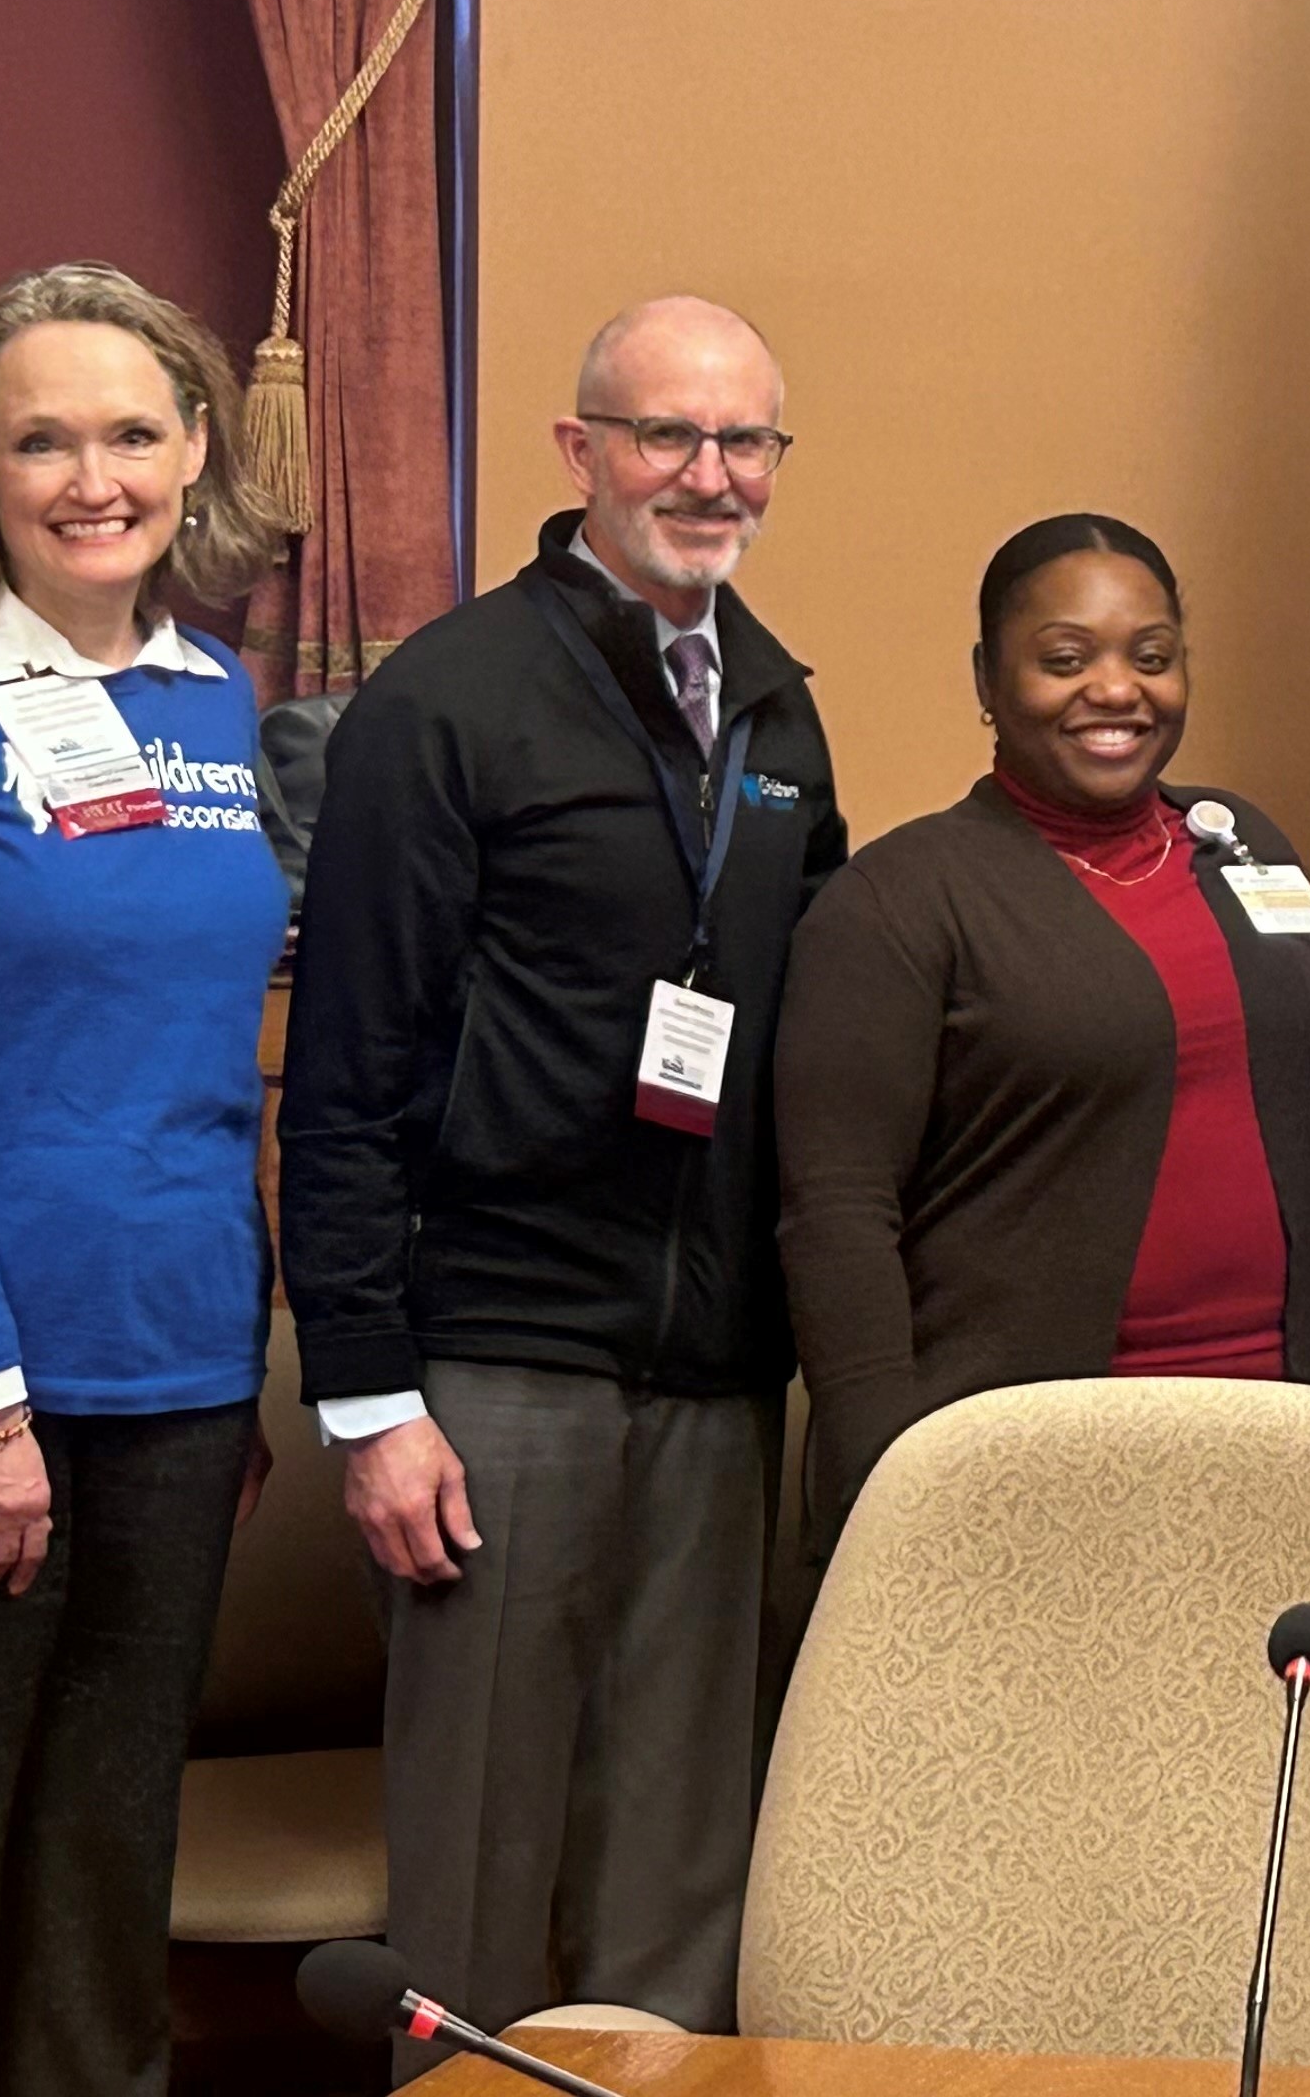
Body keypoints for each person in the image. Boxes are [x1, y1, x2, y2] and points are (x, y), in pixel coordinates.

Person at [281, 295, 849, 2047]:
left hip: (710, 1367)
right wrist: (371, 1401)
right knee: (480, 1857)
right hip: (494, 1366)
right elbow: (348, 1071)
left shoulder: (774, 709)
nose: (707, 472)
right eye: (666, 433)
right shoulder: (444, 701)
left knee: (681, 1854)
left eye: (743, 438)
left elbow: (806, 1022)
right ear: (579, 448)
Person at [0, 266, 289, 2097]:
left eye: (128, 431)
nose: (90, 474)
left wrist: (234, 1365)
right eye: (41, 436)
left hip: (170, 1382)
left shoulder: (215, 698)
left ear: (193, 454)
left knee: (108, 1871)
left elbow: (190, 1067)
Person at [776, 515, 1310, 1551]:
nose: (1116, 690)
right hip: (1031, 1464)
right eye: (1064, 659)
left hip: (1286, 1437)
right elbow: (836, 1215)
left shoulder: (1244, 846)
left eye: (1152, 656)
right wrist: (881, 1486)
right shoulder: (900, 901)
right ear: (987, 681)